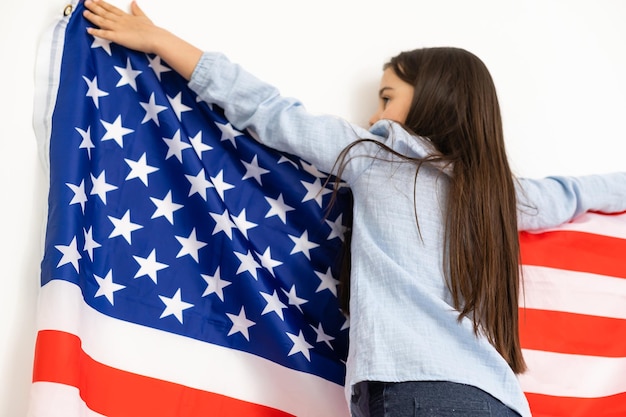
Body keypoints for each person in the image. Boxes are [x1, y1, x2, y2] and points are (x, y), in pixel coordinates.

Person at [82, 1, 626, 416]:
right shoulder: (502, 195)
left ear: (433, 96)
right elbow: (582, 191)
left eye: (386, 98)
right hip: (498, 400)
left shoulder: (377, 157)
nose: (373, 116)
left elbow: (267, 110)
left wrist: (159, 41)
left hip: (416, 392)